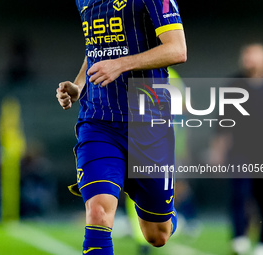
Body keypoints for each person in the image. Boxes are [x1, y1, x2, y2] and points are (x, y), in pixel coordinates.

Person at [56, 0, 186, 254]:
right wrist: (80, 85)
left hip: (148, 124)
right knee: (97, 212)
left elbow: (177, 50)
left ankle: (161, 209)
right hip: (98, 122)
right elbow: (96, 47)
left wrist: (121, 63)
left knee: (157, 235)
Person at [210, 43, 263, 255]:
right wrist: (217, 151)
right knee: (239, 194)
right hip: (240, 151)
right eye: (246, 56)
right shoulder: (234, 84)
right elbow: (223, 122)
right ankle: (239, 237)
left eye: (253, 56)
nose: (248, 60)